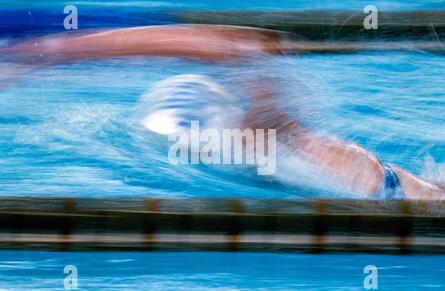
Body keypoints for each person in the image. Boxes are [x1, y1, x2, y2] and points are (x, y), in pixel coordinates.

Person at [3, 24, 445, 199]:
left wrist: (50, 53)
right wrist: (51, 53)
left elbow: (232, 48)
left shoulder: (271, 139)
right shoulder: (277, 139)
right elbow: (234, 48)